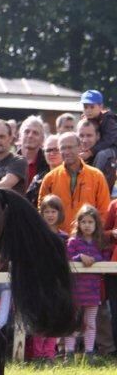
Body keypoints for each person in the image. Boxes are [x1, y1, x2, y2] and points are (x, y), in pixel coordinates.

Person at [38, 132, 111, 223]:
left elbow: (104, 211)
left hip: (87, 236)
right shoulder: (50, 178)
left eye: (70, 147)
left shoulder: (96, 176)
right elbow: (42, 210)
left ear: (80, 147)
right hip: (58, 236)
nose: (67, 152)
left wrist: (95, 234)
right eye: (63, 148)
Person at [65, 205, 107, 361]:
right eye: (84, 222)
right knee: (74, 323)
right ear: (78, 223)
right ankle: (69, 353)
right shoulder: (73, 242)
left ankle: (89, 353)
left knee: (90, 323)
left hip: (93, 290)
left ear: (96, 224)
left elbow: (104, 258)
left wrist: (94, 260)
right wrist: (79, 257)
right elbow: (67, 259)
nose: (87, 225)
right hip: (75, 291)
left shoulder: (99, 242)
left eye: (90, 222)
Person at [27, 195, 65, 361]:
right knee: (40, 319)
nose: (50, 215)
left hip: (57, 284)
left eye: (53, 211)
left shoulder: (64, 237)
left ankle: (49, 353)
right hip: (39, 283)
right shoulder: (36, 236)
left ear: (59, 214)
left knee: (54, 319)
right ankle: (37, 354)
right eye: (46, 211)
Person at [80, 90, 117, 182]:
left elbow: (109, 140)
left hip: (113, 148)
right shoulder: (85, 119)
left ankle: (94, 179)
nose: (88, 110)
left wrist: (91, 152)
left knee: (102, 154)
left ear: (100, 106)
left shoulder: (108, 119)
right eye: (85, 107)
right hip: (99, 147)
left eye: (92, 107)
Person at [78, 118, 116, 190]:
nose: (84, 140)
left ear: (98, 136)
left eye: (89, 135)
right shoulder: (71, 155)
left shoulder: (105, 159)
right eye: (81, 135)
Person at [19, 116, 49, 200]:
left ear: (42, 139)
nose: (30, 135)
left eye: (35, 133)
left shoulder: (49, 164)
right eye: (27, 131)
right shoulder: (9, 161)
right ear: (20, 136)